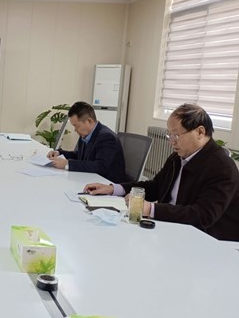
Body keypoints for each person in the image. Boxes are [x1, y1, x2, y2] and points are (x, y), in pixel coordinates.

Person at [84, 103, 239, 241]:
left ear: (200, 132)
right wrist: (114, 189)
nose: (172, 141)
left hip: (206, 241)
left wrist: (150, 209)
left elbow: (203, 216)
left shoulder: (222, 167)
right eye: (169, 135)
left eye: (176, 135)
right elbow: (156, 186)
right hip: (173, 228)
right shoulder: (177, 158)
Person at [47, 101, 125, 183]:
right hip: (89, 179)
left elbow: (100, 166)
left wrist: (67, 164)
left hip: (105, 184)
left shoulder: (107, 137)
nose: (75, 130)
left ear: (89, 121)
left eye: (77, 126)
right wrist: (59, 153)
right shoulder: (86, 134)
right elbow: (79, 156)